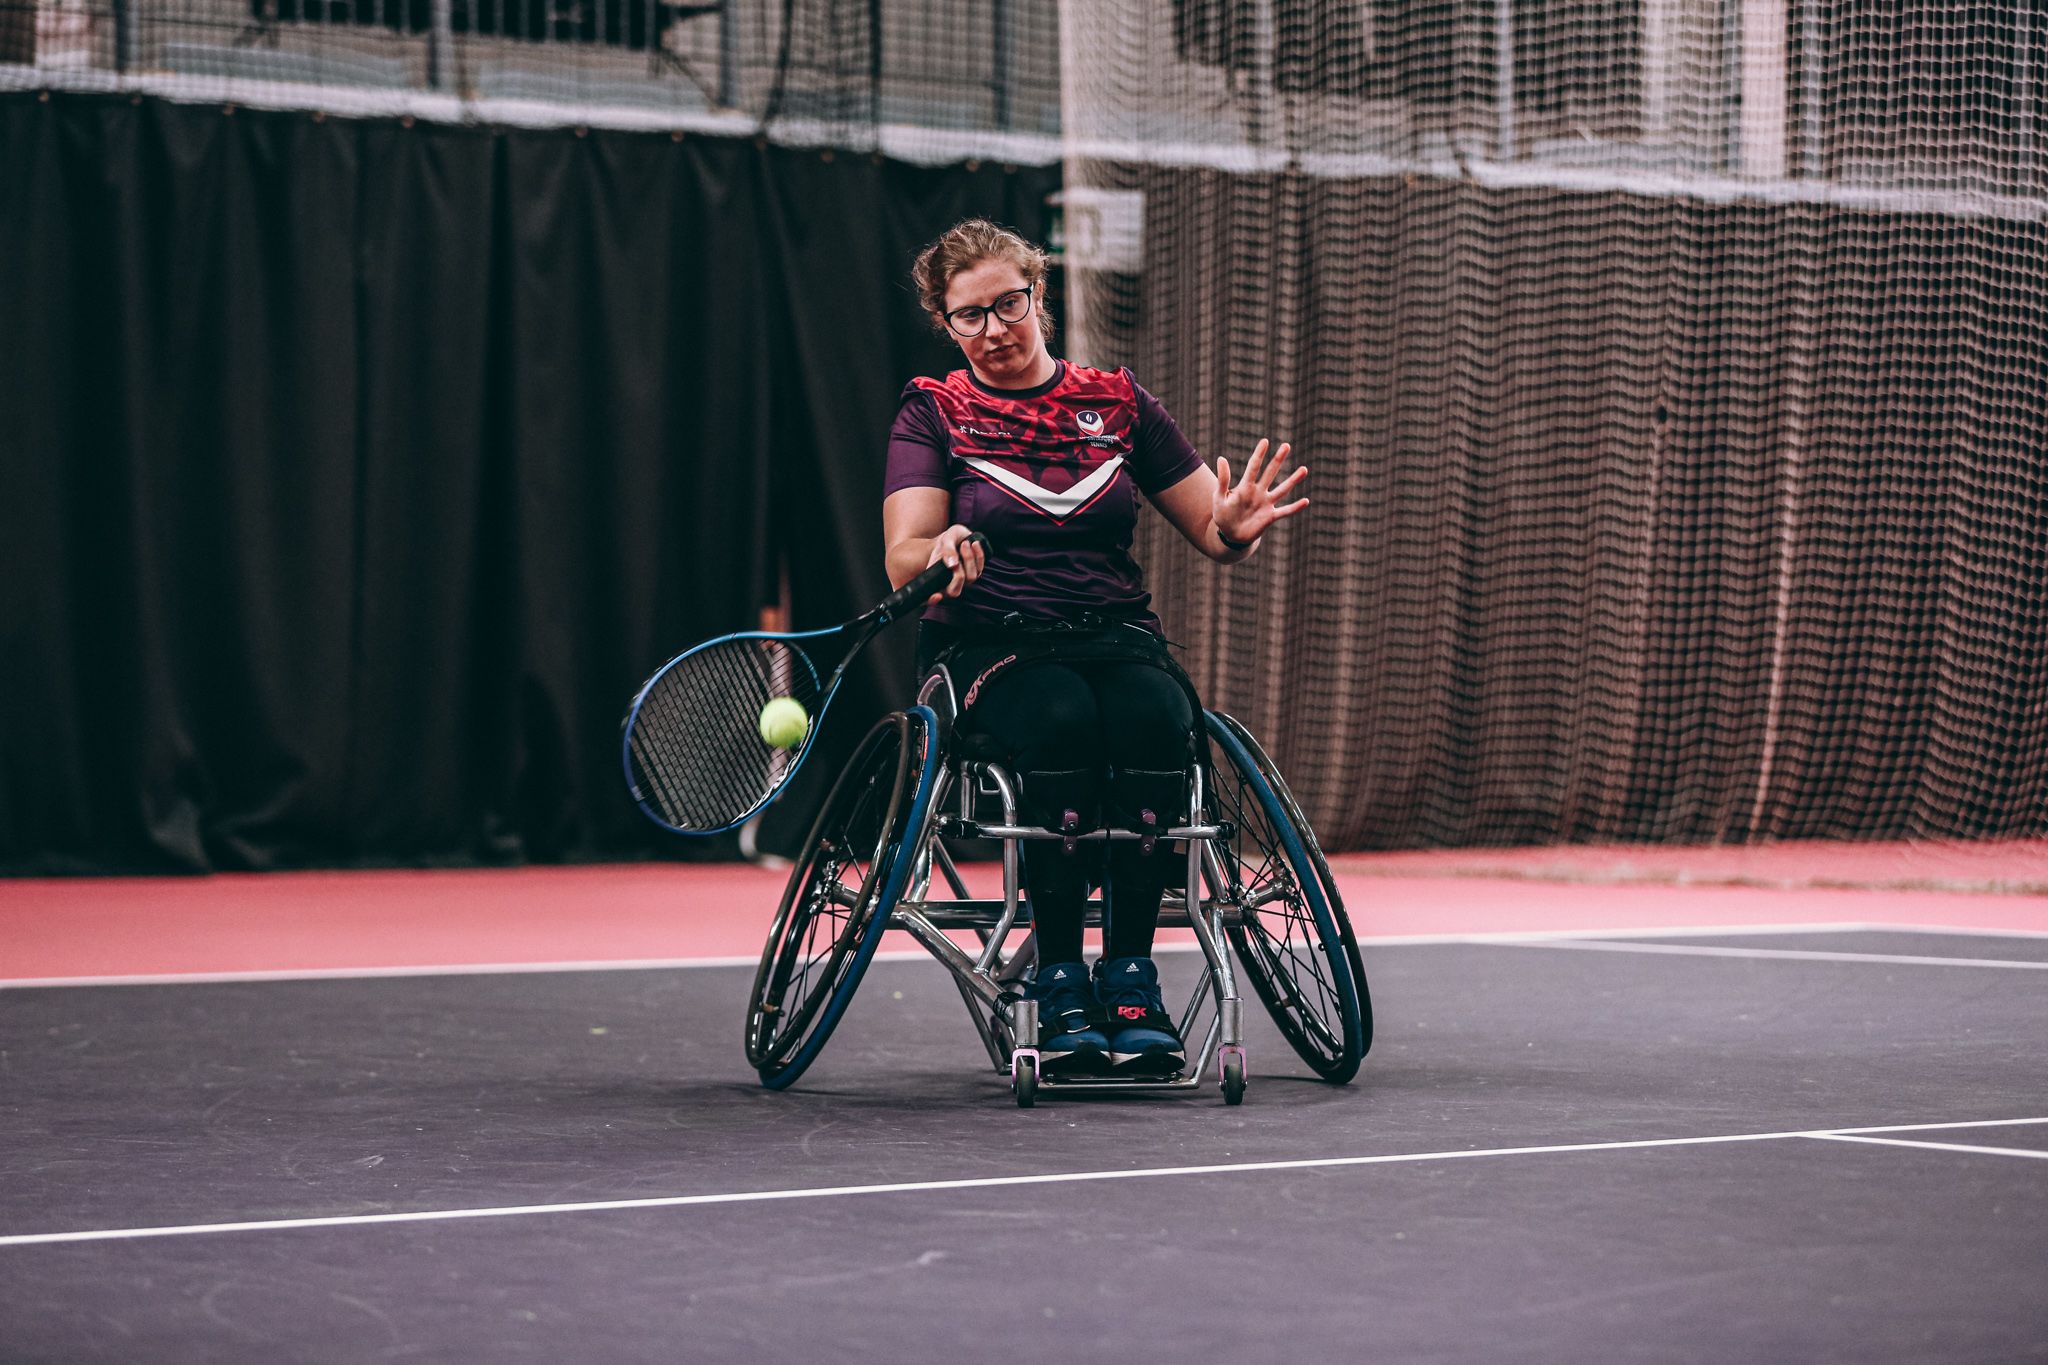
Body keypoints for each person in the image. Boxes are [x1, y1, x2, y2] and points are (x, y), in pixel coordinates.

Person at [882, 219, 1307, 1077]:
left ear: (1041, 296)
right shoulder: (935, 410)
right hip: (992, 647)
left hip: (1113, 638)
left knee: (1158, 715)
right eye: (972, 316)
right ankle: (1064, 978)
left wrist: (1234, 526)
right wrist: (938, 552)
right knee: (1062, 717)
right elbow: (903, 549)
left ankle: (1132, 978)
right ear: (946, 324)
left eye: (1009, 304)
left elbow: (1212, 532)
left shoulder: (1116, 402)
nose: (996, 329)